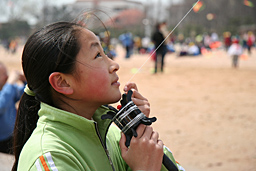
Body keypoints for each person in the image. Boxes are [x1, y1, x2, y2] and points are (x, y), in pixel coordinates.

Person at [12, 21, 184, 171]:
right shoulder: (50, 157)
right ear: (63, 83)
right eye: (97, 56)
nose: (114, 65)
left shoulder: (113, 134)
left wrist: (137, 131)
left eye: (106, 53)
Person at [0, 62, 26, 154]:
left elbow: (25, 94)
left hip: (11, 136)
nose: (6, 77)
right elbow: (1, 106)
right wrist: (10, 84)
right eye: (2, 74)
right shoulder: (8, 89)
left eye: (6, 73)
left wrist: (25, 81)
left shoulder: (8, 89)